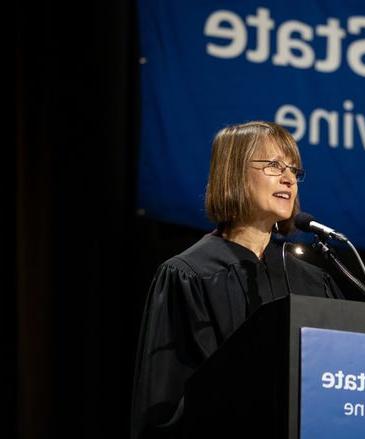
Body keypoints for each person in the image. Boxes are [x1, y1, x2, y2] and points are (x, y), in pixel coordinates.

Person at [130, 121, 343, 438]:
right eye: (273, 165)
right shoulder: (189, 275)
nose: (288, 179)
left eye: (293, 171)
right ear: (235, 173)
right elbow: (166, 404)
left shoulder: (313, 281)